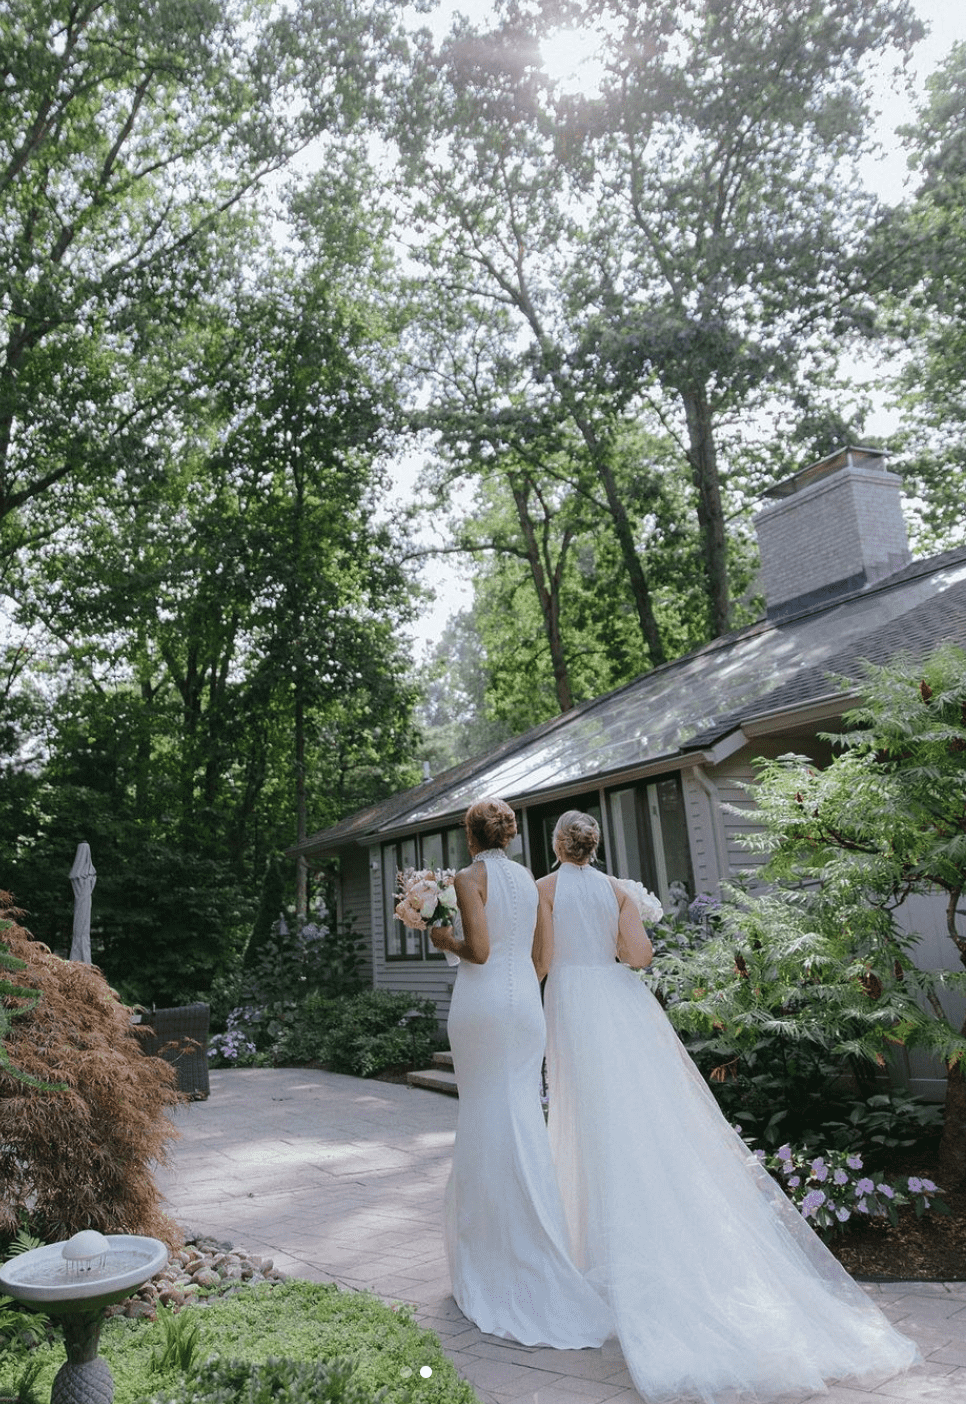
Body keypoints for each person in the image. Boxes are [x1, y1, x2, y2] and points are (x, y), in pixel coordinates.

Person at [535, 809, 919, 1404]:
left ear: (559, 845)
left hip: (571, 1001)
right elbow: (640, 957)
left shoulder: (543, 889)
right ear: (594, 846)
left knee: (585, 1118)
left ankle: (589, 1247)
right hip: (618, 1002)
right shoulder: (616, 890)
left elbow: (540, 960)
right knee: (642, 1119)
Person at [428, 797, 613, 1348]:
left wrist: (442, 939)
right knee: (522, 1115)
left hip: (481, 1007)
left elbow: (479, 951)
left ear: (471, 836)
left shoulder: (468, 878)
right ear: (506, 835)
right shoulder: (531, 881)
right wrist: (520, 995)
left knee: (484, 1115)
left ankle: (495, 1254)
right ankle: (538, 1239)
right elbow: (538, 959)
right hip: (524, 1008)